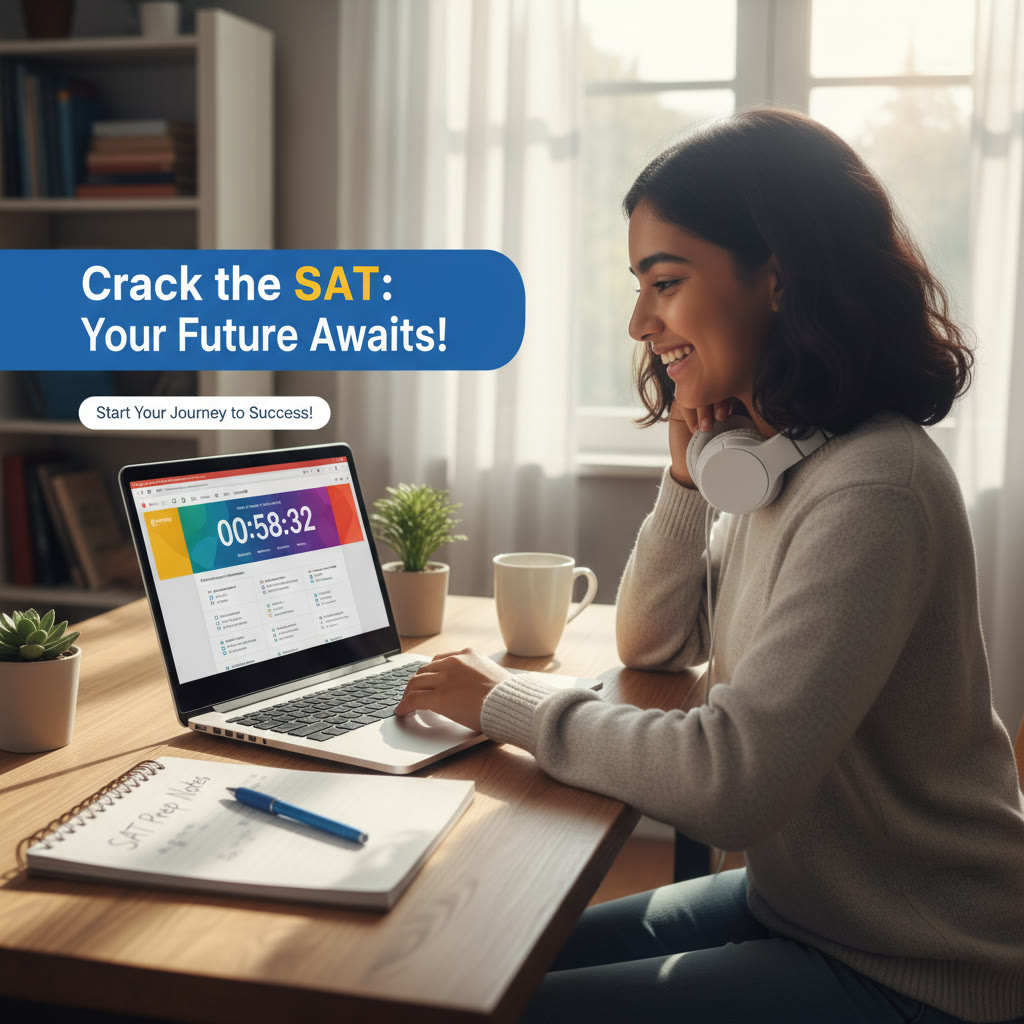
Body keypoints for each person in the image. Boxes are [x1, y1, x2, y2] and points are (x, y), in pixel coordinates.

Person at [393, 107, 1024, 1023]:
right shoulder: (775, 457)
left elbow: (731, 783)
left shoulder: (872, 487)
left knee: (492, 1008)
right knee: (461, 961)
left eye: (666, 282)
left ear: (777, 276)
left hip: (919, 960)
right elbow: (651, 645)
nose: (639, 320)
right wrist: (689, 481)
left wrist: (503, 701)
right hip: (805, 907)